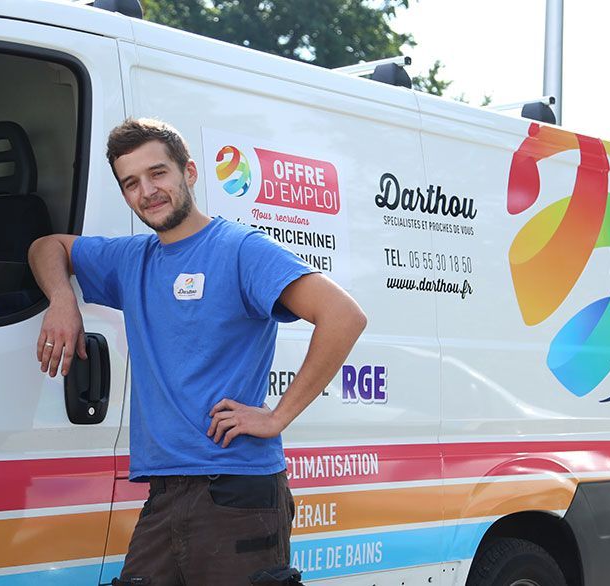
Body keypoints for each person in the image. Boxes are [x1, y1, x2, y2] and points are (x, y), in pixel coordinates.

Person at [28, 118, 366, 585]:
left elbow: (344, 316)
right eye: (132, 183)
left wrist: (276, 418)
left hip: (237, 491)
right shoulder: (132, 260)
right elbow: (47, 247)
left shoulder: (240, 249)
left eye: (158, 173)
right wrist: (63, 301)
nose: (147, 190)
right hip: (165, 493)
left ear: (189, 172)